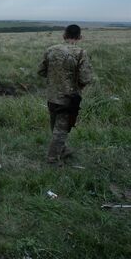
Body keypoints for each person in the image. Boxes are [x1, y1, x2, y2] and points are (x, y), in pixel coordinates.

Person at [37, 24, 94, 164]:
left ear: (64, 35)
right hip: (69, 98)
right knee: (61, 130)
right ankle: (52, 159)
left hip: (51, 95)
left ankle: (63, 150)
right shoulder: (81, 53)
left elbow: (41, 71)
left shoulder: (50, 50)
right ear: (80, 37)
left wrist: (55, 78)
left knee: (55, 125)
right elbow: (85, 78)